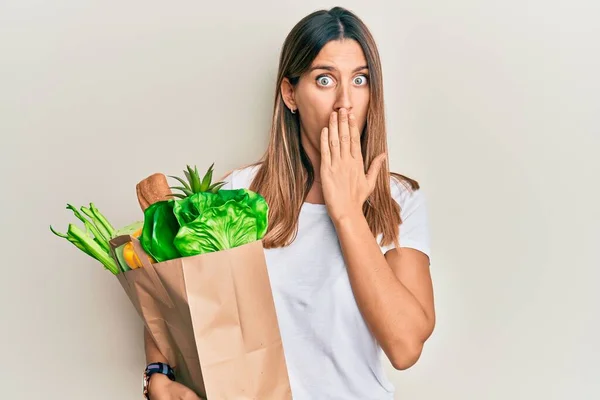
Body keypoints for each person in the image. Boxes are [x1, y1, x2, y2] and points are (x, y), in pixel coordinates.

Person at [145, 6, 435, 400]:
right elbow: (177, 303)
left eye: (361, 79)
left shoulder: (399, 200)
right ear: (290, 94)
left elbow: (405, 348)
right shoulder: (240, 195)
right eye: (325, 79)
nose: (345, 103)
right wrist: (158, 378)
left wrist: (347, 211)